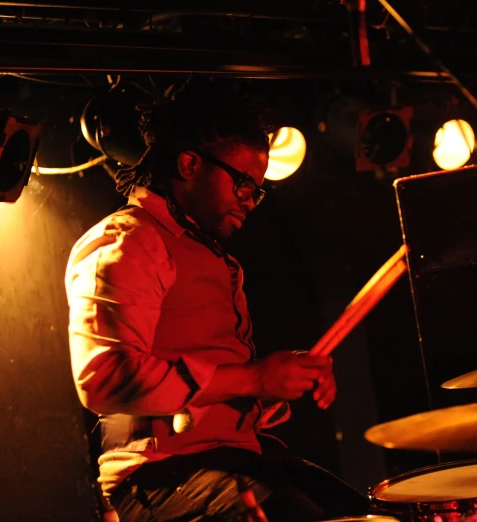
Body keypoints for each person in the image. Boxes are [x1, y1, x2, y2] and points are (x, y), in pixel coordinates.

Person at [65, 77, 370, 522]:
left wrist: (279, 382)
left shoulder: (214, 258)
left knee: (368, 515)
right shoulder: (129, 240)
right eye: (243, 185)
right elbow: (103, 377)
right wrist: (253, 380)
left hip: (234, 460)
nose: (250, 201)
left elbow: (213, 385)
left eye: (257, 191)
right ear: (190, 164)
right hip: (159, 476)